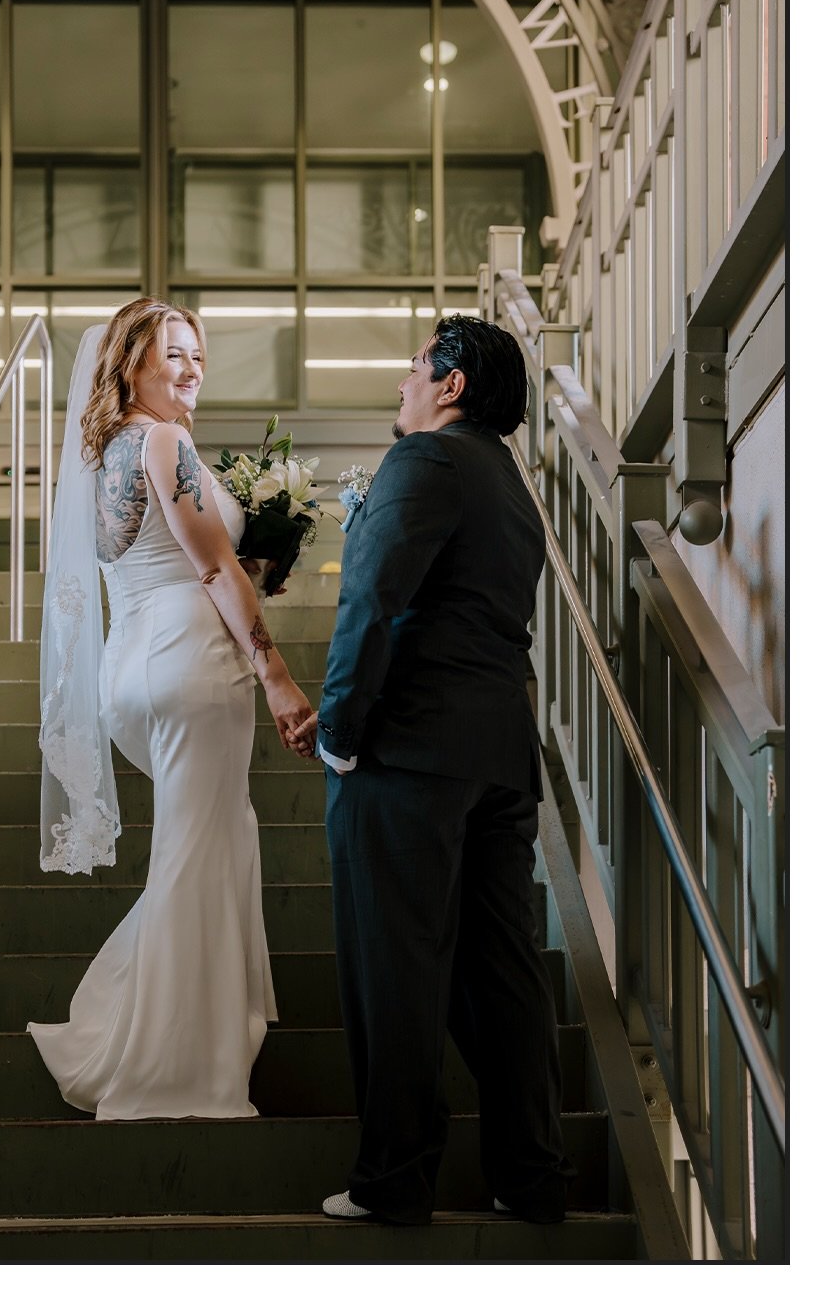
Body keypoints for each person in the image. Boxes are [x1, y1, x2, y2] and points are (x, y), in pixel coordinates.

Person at [288, 314, 575, 1224]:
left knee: (396, 960)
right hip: (499, 755)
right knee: (505, 971)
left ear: (451, 384)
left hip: (409, 750)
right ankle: (531, 1176)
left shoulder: (422, 463)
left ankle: (393, 1178)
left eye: (415, 368)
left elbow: (372, 601)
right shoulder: (513, 488)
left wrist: (339, 728)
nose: (403, 384)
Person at [28, 297, 314, 1120]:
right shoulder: (164, 441)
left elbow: (166, 558)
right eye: (173, 354)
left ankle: (144, 1032)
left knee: (204, 845)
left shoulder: (104, 452)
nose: (193, 368)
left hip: (131, 671)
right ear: (132, 367)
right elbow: (215, 571)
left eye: (197, 352)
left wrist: (254, 559)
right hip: (193, 670)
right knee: (200, 857)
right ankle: (177, 1072)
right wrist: (279, 678)